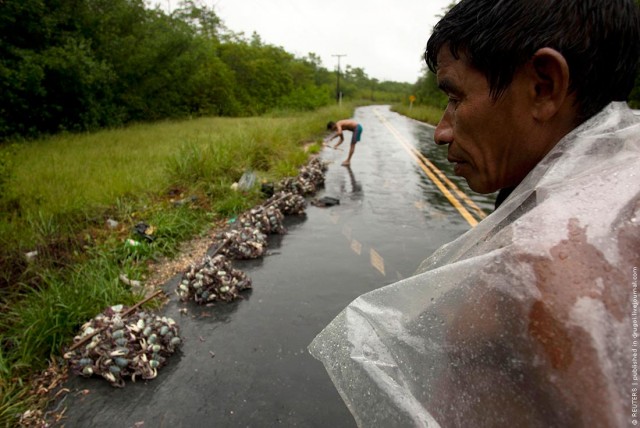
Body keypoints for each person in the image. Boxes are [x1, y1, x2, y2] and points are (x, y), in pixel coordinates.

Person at [310, 1, 640, 426]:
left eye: (455, 96)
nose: (441, 130)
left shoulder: (547, 271)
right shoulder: (613, 204)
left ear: (543, 86)